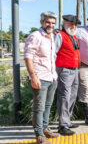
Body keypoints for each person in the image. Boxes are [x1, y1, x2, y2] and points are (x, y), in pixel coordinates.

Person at [25, 12, 60, 144]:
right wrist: (33, 77)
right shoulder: (35, 36)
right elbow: (28, 57)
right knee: (39, 107)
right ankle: (39, 134)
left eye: (52, 23)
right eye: (47, 22)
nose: (50, 25)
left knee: (47, 105)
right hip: (40, 78)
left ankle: (45, 128)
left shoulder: (51, 36)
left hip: (51, 77)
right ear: (41, 22)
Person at [55, 15, 81, 136]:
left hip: (74, 69)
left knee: (72, 95)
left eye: (75, 25)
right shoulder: (60, 35)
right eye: (70, 24)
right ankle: (63, 125)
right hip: (64, 69)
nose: (73, 26)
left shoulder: (73, 36)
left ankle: (67, 120)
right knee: (64, 96)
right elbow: (53, 52)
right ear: (64, 23)